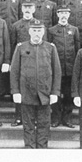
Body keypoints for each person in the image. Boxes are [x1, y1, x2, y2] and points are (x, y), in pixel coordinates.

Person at [11, 19, 61, 148]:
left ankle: (42, 148)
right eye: (34, 30)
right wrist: (15, 91)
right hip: (26, 93)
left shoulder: (50, 48)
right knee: (28, 124)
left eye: (39, 30)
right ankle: (30, 148)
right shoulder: (21, 47)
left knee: (44, 123)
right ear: (29, 31)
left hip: (44, 93)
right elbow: (15, 71)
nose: (36, 33)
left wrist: (55, 92)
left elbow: (56, 71)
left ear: (43, 32)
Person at [48, 6, 80, 128]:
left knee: (68, 94)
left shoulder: (74, 30)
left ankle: (67, 118)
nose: (63, 15)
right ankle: (55, 117)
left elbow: (77, 50)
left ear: (69, 15)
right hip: (56, 68)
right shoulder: (51, 30)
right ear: (57, 14)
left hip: (70, 68)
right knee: (55, 93)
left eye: (66, 13)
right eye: (61, 13)